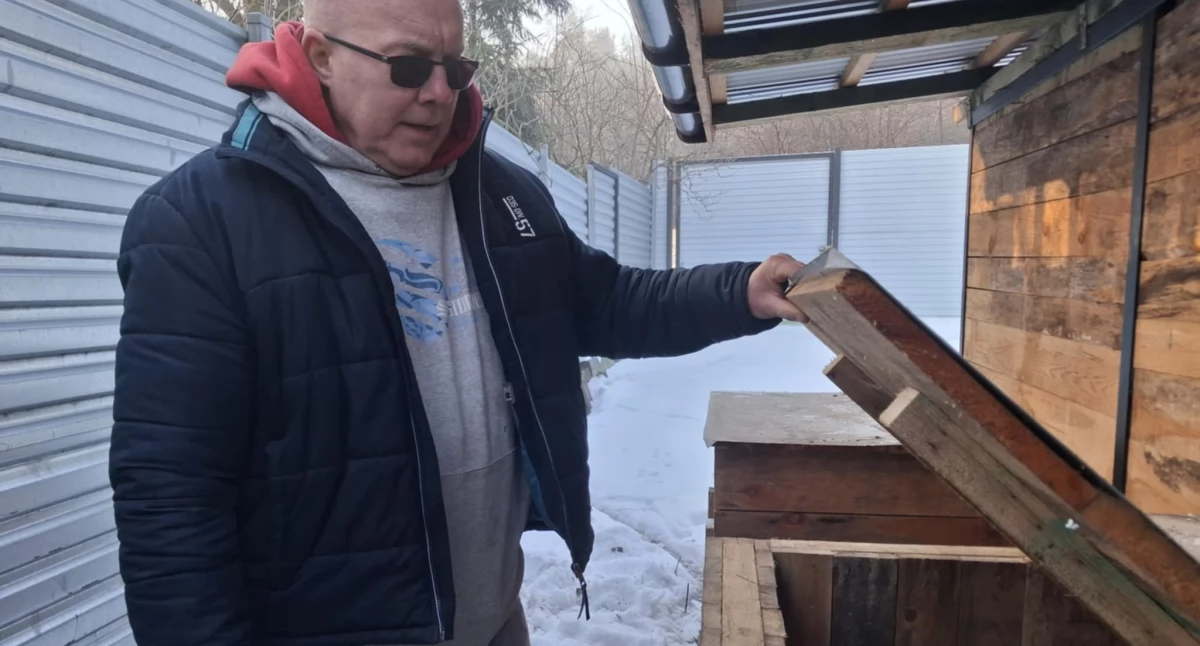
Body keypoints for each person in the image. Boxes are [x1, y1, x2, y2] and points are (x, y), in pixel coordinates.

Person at [108, 0, 806, 643]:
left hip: (493, 621)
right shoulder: (200, 226)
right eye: (409, 66)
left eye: (454, 66)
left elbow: (602, 301)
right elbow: (171, 508)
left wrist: (738, 293)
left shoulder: (498, 195)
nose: (440, 92)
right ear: (320, 55)